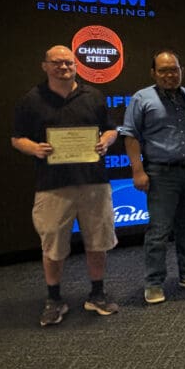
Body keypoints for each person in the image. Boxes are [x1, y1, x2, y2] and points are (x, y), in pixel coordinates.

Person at [12, 45, 119, 326]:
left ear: (76, 65)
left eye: (69, 62)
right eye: (57, 63)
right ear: (45, 66)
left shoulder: (93, 96)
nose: (64, 67)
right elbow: (17, 138)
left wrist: (106, 141)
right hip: (52, 185)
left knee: (98, 242)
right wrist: (34, 148)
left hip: (94, 183)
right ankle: (54, 299)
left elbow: (110, 129)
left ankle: (97, 294)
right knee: (53, 245)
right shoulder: (31, 100)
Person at [122, 50, 185, 304]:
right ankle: (153, 283)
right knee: (159, 230)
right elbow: (130, 135)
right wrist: (137, 170)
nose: (169, 74)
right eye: (163, 70)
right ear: (153, 73)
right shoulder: (142, 98)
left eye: (173, 69)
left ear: (180, 70)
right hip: (161, 172)